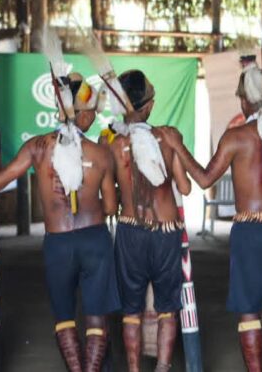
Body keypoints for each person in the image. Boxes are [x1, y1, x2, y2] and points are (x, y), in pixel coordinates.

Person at [163, 63, 262, 372]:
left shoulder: (236, 137)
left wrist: (178, 146)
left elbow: (205, 179)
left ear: (245, 100)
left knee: (249, 312)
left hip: (251, 231)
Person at [0, 70, 119, 372]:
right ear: (79, 113)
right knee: (96, 318)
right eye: (90, 111)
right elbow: (111, 207)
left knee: (64, 318)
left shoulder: (37, 147)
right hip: (94, 241)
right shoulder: (101, 154)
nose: (92, 117)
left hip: (58, 244)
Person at [106, 69, 192, 372]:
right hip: (166, 232)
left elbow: (110, 198)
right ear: (149, 105)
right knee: (168, 309)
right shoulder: (168, 137)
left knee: (131, 311)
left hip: (130, 231)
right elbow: (185, 188)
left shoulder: (114, 145)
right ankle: (163, 368)